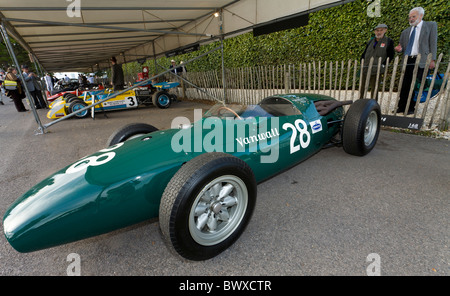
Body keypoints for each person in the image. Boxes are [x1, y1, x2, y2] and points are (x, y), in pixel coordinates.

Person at [394, 7, 438, 114]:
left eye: (413, 16)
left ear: (421, 16)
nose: (411, 19)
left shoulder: (430, 26)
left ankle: (410, 108)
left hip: (422, 60)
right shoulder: (405, 32)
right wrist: (399, 50)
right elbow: (402, 47)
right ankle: (401, 106)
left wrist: (432, 59)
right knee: (405, 84)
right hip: (408, 60)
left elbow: (433, 43)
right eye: (410, 17)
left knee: (416, 85)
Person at [360, 24, 394, 100]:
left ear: (385, 30)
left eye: (381, 30)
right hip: (366, 68)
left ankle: (373, 103)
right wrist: (362, 62)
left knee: (374, 88)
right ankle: (361, 102)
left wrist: (383, 65)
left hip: (377, 69)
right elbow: (364, 53)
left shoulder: (388, 41)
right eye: (377, 30)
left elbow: (391, 55)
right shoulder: (371, 41)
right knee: (362, 88)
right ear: (375, 32)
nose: (379, 32)